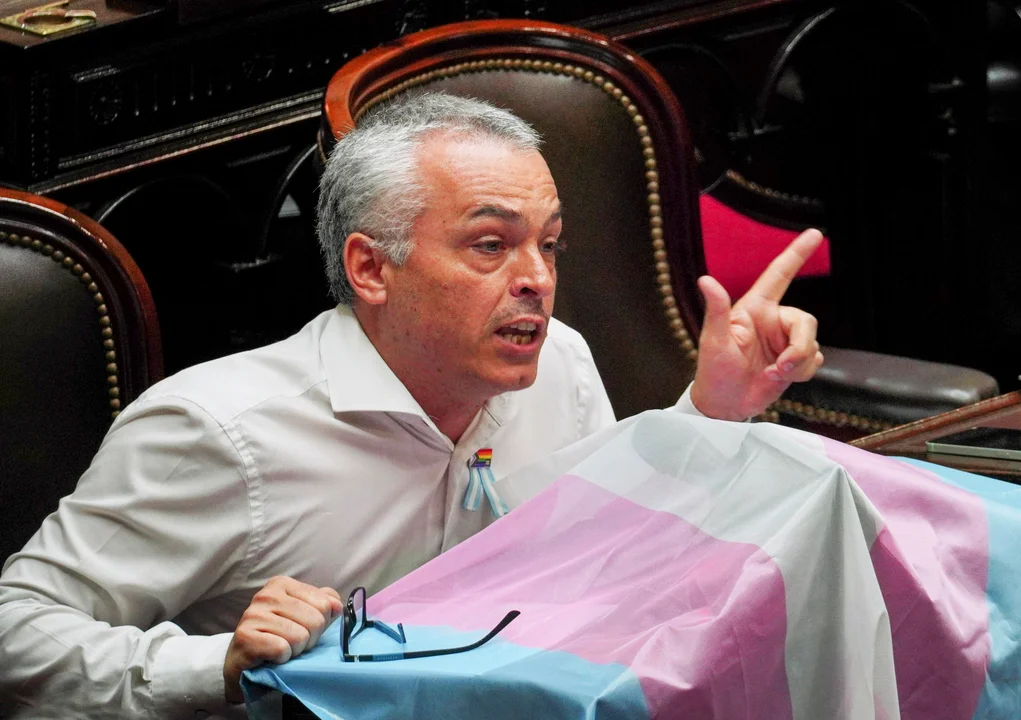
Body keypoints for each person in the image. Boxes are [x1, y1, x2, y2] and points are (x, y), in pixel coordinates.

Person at [0, 93, 822, 719]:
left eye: (549, 243)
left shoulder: (557, 363)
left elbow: (604, 556)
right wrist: (216, 664)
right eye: (491, 245)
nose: (537, 278)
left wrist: (713, 413)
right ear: (370, 268)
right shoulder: (220, 432)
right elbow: (17, 633)